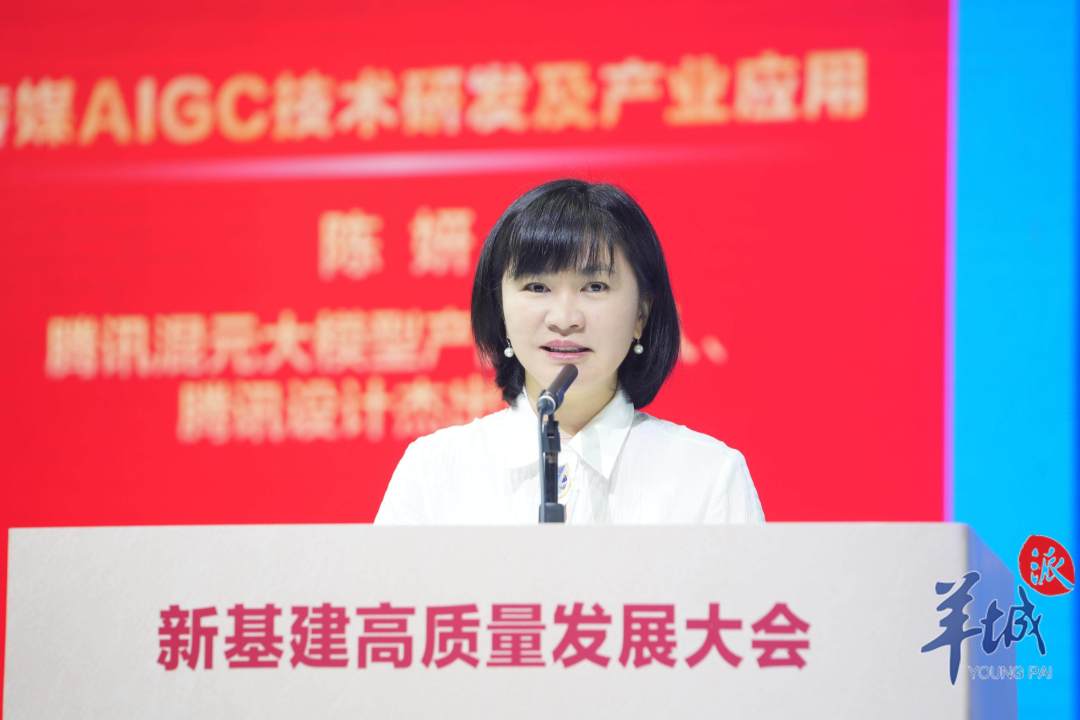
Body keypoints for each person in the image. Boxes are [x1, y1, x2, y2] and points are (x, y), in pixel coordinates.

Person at [375, 179, 764, 524]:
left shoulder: (708, 476)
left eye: (594, 287)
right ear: (500, 309)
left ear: (641, 314)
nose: (564, 319)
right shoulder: (434, 471)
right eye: (537, 287)